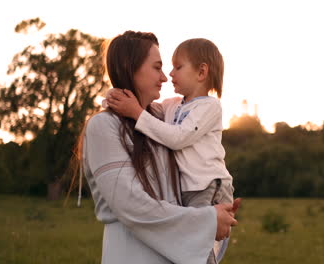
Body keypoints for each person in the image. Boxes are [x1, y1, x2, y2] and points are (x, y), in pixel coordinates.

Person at [78, 31, 239, 264]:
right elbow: (131, 206)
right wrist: (207, 220)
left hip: (174, 252)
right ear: (128, 66)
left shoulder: (162, 118)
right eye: (157, 67)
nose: (165, 77)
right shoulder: (104, 126)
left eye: (172, 68)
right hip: (131, 254)